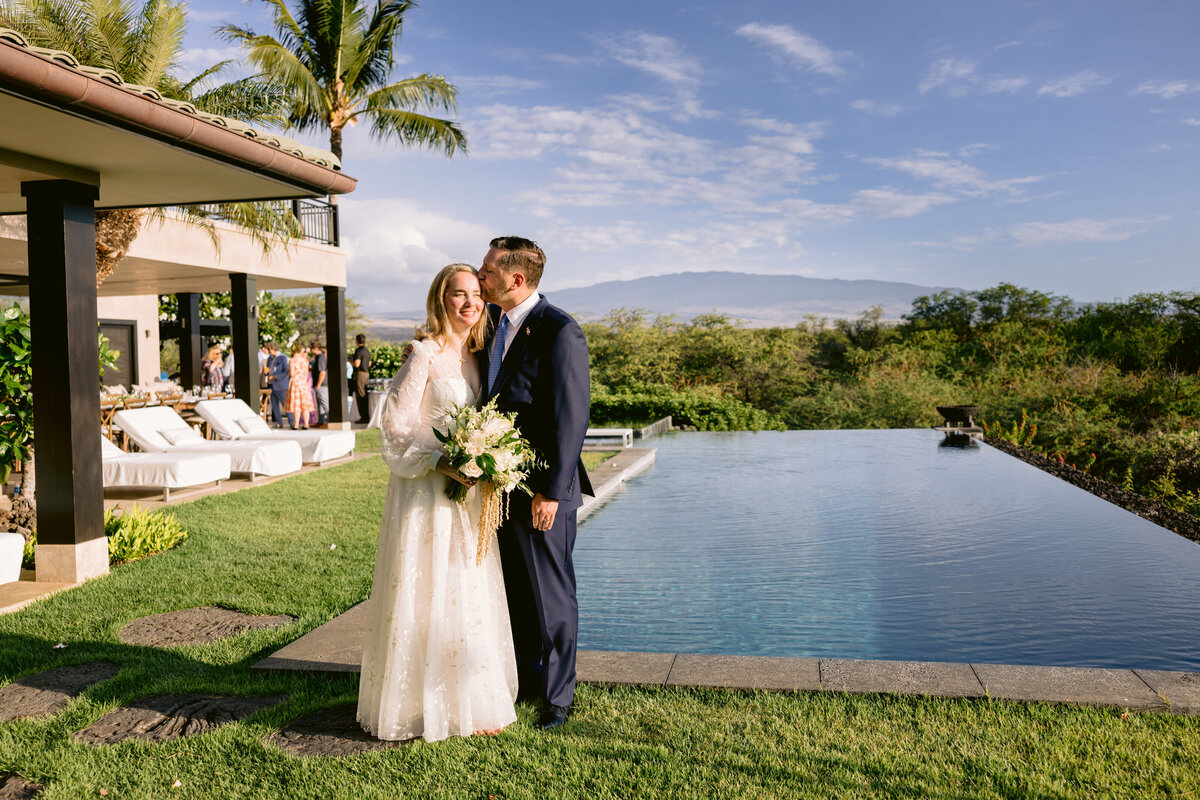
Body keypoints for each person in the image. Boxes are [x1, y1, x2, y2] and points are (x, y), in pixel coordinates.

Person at [357, 263, 517, 742]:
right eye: (458, 294)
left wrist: (485, 457)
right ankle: (416, 705)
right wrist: (440, 459)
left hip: (466, 496)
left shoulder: (477, 357)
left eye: (476, 294)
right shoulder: (422, 355)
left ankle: (470, 699)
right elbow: (395, 429)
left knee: (464, 585)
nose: (470, 303)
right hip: (426, 489)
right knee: (426, 587)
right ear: (440, 299)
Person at [476, 236, 592, 731]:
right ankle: (526, 680)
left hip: (543, 489)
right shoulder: (490, 325)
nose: (480, 278)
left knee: (551, 595)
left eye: (487, 271)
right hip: (498, 485)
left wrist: (551, 490)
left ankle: (559, 697)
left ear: (515, 279)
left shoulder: (559, 331)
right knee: (517, 592)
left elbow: (572, 417)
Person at [285, 342, 315, 430]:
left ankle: (296, 425)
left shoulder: (292, 360)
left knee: (296, 405)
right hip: (303, 383)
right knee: (305, 405)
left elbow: (292, 373)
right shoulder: (305, 361)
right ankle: (306, 424)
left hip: (295, 383)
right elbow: (306, 374)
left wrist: (289, 372)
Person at [265, 342, 292, 428]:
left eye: (270, 349)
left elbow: (286, 372)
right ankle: (279, 423)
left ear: (274, 349)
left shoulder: (283, 358)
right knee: (274, 406)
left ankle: (292, 423)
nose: (269, 351)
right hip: (271, 385)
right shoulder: (269, 358)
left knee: (286, 405)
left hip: (281, 385)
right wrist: (267, 372)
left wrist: (275, 377)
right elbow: (269, 368)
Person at [352, 333, 371, 423]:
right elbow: (369, 364)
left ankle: (364, 417)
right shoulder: (367, 351)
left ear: (357, 341)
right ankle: (365, 416)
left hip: (360, 374)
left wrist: (350, 361)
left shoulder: (358, 351)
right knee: (365, 394)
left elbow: (357, 364)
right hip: (366, 374)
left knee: (360, 395)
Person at [310, 341, 329, 427]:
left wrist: (318, 385)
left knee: (325, 404)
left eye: (311, 348)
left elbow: (322, 372)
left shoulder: (321, 358)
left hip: (322, 385)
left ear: (315, 349)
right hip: (319, 385)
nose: (310, 350)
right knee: (320, 404)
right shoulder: (317, 358)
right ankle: (321, 422)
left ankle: (330, 422)